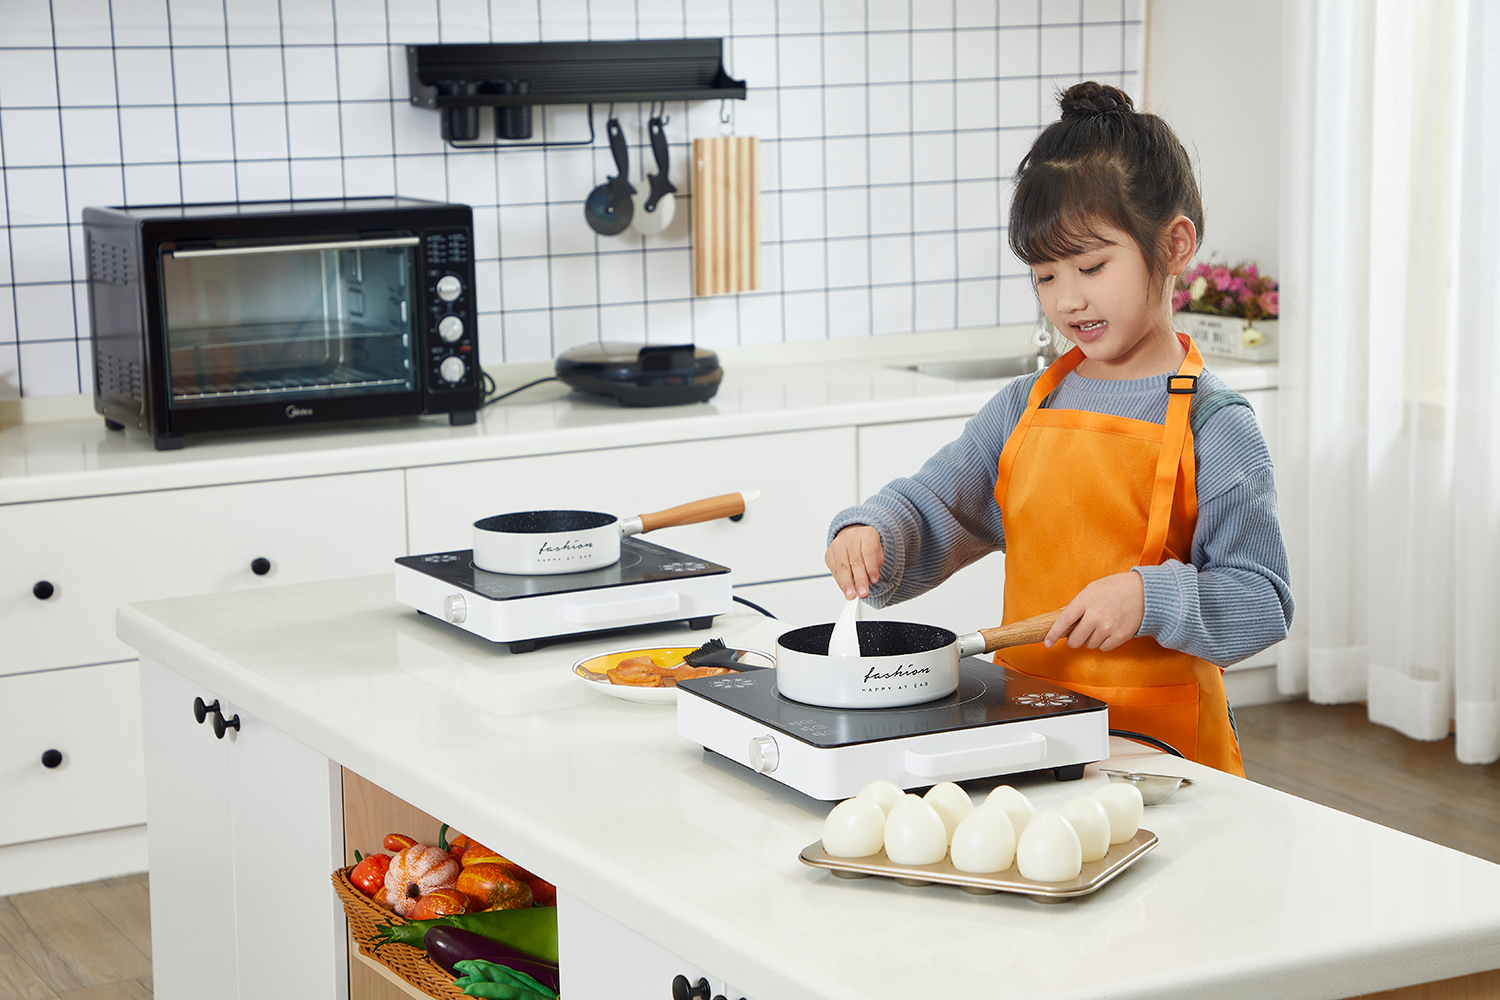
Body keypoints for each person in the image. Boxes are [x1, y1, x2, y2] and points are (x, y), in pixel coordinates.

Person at [823, 81, 1293, 776]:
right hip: (1028, 732)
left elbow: (1262, 599)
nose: (1067, 299)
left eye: (1091, 266)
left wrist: (1150, 597)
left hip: (1162, 759)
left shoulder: (1215, 426)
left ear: (1174, 245)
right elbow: (939, 502)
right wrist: (875, 532)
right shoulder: (1025, 407)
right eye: (1045, 276)